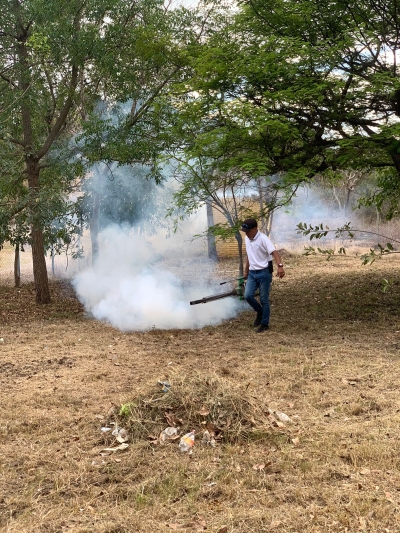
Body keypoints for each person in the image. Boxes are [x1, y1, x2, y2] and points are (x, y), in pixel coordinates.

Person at [240, 218, 285, 333]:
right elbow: (249, 256)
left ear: (255, 229)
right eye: (245, 231)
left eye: (248, 231)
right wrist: (246, 271)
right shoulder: (247, 238)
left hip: (264, 273)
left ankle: (264, 323)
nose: (246, 233)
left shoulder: (263, 239)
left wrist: (280, 266)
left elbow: (275, 253)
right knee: (248, 295)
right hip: (252, 273)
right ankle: (260, 312)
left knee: (264, 299)